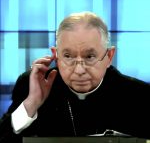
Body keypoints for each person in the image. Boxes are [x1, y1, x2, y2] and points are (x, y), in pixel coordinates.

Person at [0, 11, 150, 143]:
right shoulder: (32, 85)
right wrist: (31, 104)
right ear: (56, 56)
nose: (79, 70)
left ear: (109, 56)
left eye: (90, 56)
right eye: (68, 56)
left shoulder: (139, 95)